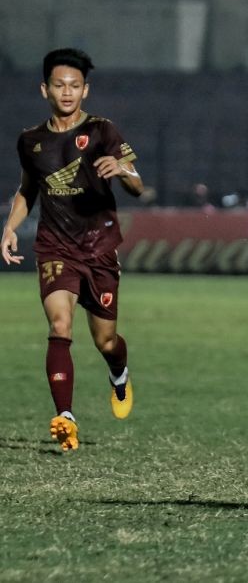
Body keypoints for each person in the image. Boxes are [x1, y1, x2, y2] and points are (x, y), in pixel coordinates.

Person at [1, 48, 143, 451]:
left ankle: (119, 372)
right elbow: (27, 191)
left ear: (86, 90)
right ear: (45, 89)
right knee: (59, 325)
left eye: (75, 86)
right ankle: (65, 417)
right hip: (55, 247)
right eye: (60, 85)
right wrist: (9, 228)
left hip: (99, 248)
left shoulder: (103, 131)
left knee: (106, 341)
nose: (67, 92)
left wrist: (123, 169)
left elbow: (138, 184)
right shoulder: (31, 141)